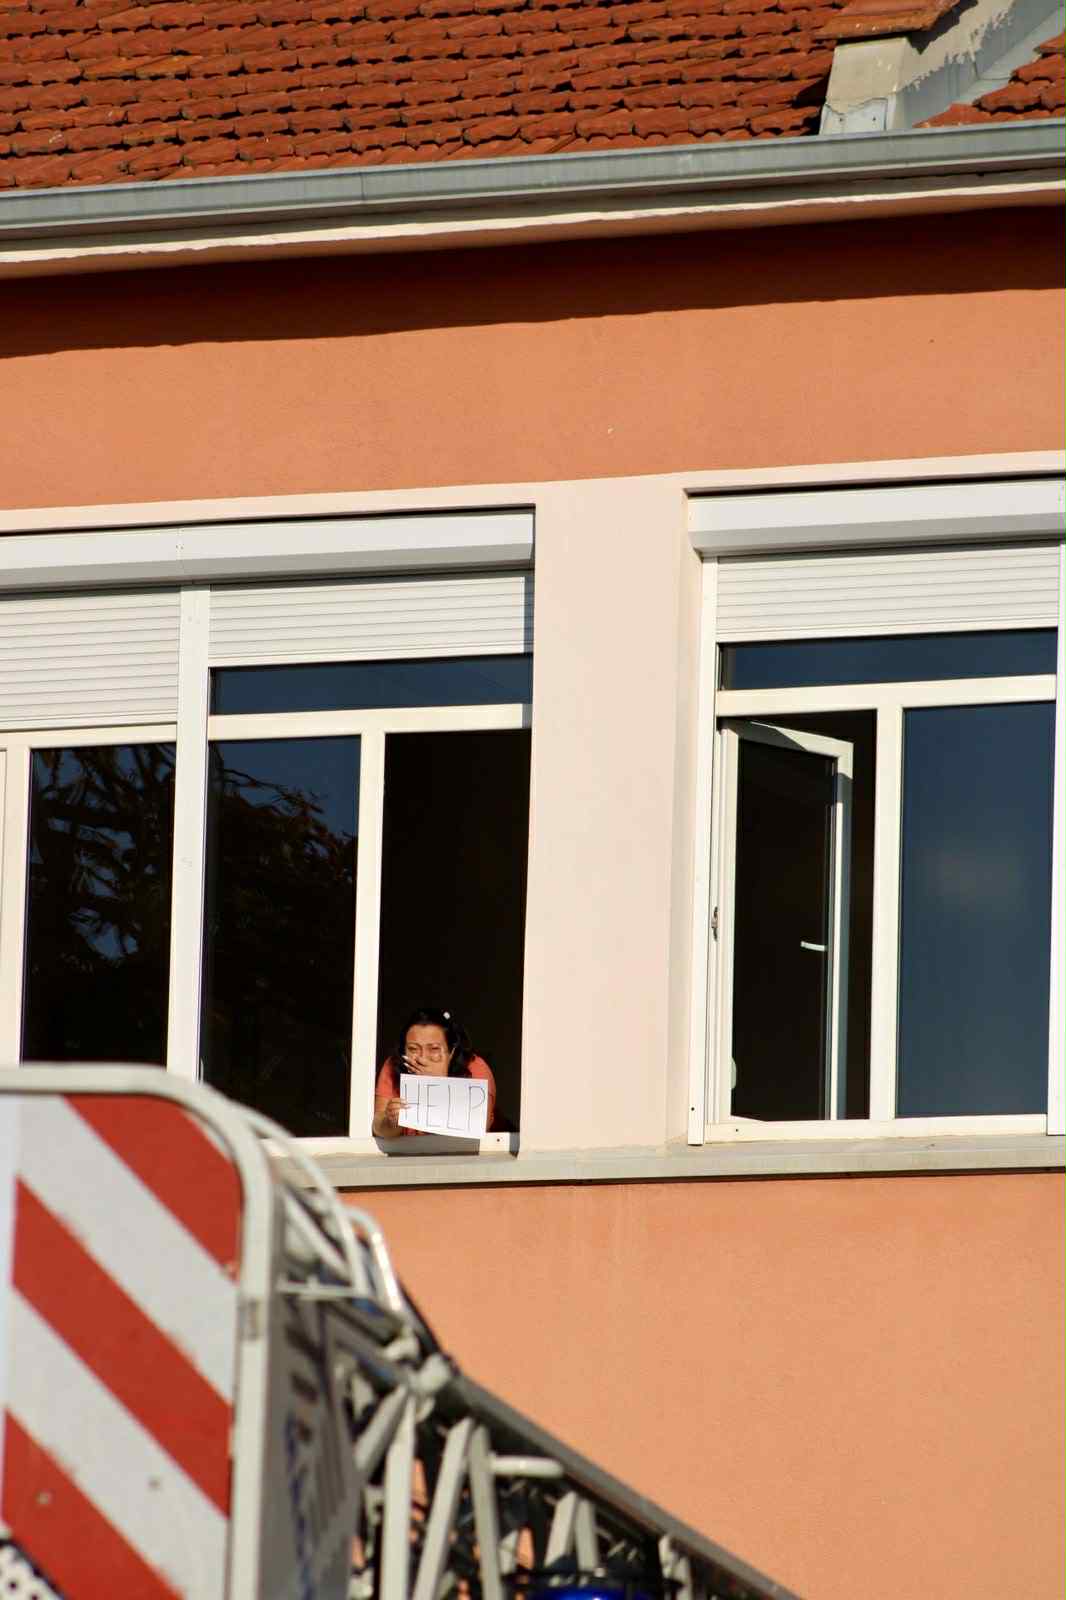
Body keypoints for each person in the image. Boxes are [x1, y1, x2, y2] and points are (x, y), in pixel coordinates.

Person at [373, 1006, 497, 1139]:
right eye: (413, 1049)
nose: (422, 1058)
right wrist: (391, 1122)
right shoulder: (394, 1065)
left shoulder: (475, 1067)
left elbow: (478, 1126)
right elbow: (378, 1127)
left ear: (451, 1051)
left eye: (434, 1049)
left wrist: (440, 1083)